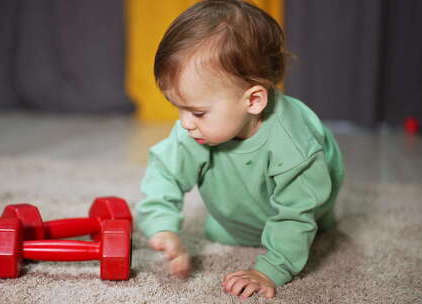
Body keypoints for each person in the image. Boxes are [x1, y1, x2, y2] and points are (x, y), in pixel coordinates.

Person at [135, 0, 345, 299]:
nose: (184, 124)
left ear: (253, 101)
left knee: (306, 218)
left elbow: (297, 213)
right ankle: (240, 226)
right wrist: (162, 226)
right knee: (222, 228)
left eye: (197, 112)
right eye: (177, 108)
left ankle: (312, 227)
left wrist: (271, 269)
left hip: (306, 203)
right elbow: (165, 172)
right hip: (234, 216)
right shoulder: (195, 130)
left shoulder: (293, 143)